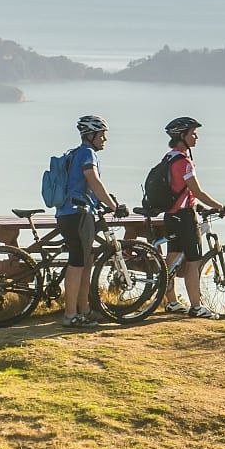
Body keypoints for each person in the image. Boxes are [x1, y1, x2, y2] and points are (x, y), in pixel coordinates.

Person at [56, 114, 127, 328]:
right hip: (78, 214)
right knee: (77, 263)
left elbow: (85, 186)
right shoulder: (87, 153)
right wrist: (115, 207)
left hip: (71, 213)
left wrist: (105, 200)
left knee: (86, 262)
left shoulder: (76, 153)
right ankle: (70, 315)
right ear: (92, 135)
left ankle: (84, 310)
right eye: (102, 135)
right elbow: (93, 180)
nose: (104, 140)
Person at [159, 117, 225, 320]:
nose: (196, 137)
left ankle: (172, 302)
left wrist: (195, 203)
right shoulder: (184, 162)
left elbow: (178, 190)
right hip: (185, 217)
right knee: (194, 262)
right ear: (182, 136)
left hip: (171, 215)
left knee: (172, 258)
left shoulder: (168, 158)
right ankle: (197, 306)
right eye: (192, 133)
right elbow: (197, 191)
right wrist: (220, 207)